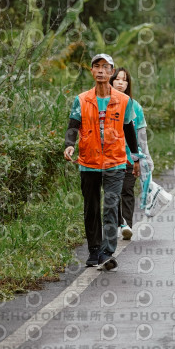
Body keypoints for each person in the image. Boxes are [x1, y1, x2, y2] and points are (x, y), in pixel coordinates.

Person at [64, 54, 141, 271]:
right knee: (91, 207)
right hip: (88, 161)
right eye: (96, 66)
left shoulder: (124, 101)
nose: (100, 71)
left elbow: (129, 129)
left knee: (110, 206)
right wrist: (70, 144)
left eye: (105, 67)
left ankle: (107, 252)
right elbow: (73, 125)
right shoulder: (81, 99)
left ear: (111, 72)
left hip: (115, 162)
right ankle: (94, 249)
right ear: (91, 71)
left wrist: (135, 158)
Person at [109, 67, 155, 240]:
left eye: (124, 79)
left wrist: (146, 158)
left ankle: (126, 225)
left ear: (128, 84)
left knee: (127, 190)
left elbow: (141, 136)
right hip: (110, 158)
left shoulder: (135, 107)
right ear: (111, 81)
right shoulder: (105, 104)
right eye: (117, 79)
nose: (121, 82)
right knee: (113, 192)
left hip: (130, 157)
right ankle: (118, 222)